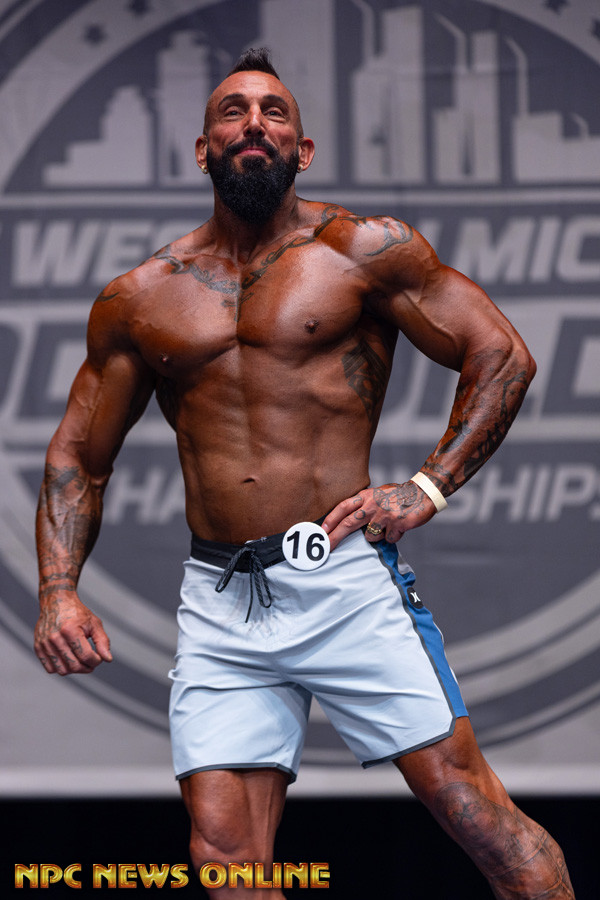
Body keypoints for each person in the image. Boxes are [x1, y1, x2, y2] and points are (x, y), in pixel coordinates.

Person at [34, 47, 574, 898]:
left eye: (274, 112)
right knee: (227, 863)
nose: (255, 123)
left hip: (344, 581)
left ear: (303, 148)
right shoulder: (141, 296)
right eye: (233, 111)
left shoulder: (362, 250)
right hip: (222, 601)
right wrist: (58, 591)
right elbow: (77, 455)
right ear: (203, 149)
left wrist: (427, 487)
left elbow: (501, 354)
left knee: (474, 813)